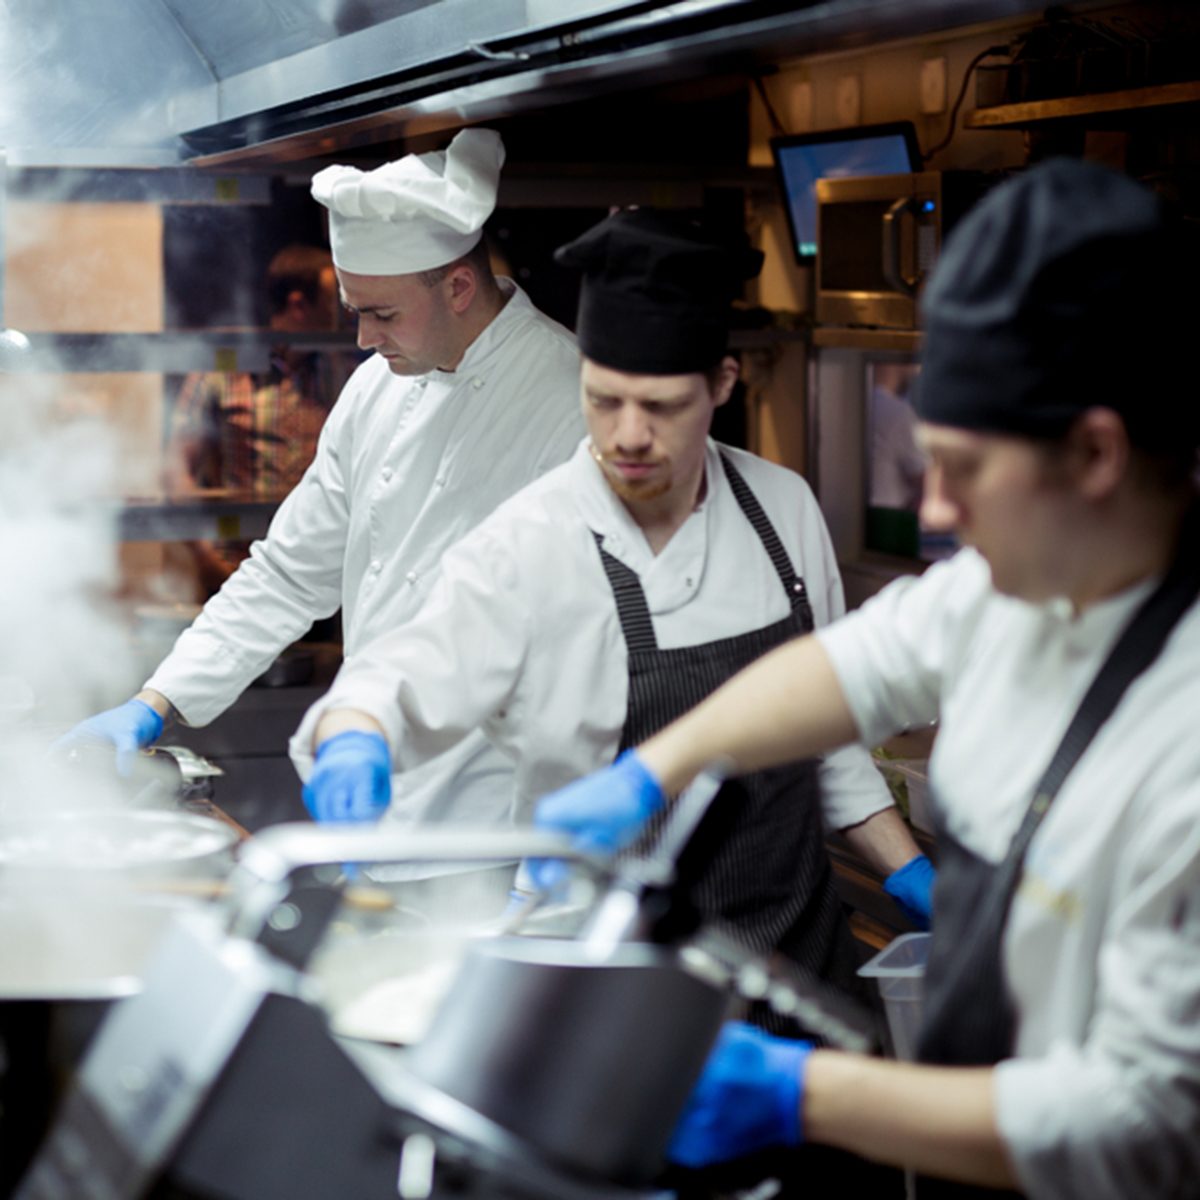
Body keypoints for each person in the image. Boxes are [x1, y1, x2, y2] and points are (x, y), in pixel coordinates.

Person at [533, 161, 1200, 1200]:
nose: (932, 510)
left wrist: (808, 1095)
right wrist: (655, 770)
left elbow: (1142, 1121)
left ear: (1097, 454)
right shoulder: (1009, 587)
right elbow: (852, 667)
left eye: (963, 467)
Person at [293, 209, 930, 1001]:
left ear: (723, 385)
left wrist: (909, 871)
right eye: (603, 402)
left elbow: (822, 731)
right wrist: (354, 736)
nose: (627, 437)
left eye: (660, 407)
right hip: (607, 979)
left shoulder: (784, 509)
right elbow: (402, 674)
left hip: (791, 965)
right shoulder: (535, 539)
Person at [57, 129, 585, 852]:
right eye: (353, 310)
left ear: (459, 285)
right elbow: (287, 570)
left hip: (493, 819)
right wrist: (159, 701)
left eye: (383, 313)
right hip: (368, 793)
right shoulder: (376, 386)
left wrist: (544, 859)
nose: (362, 339)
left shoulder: (569, 396)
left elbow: (577, 644)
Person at [162, 242, 359, 597]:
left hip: (323, 573)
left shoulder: (342, 371)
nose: (343, 313)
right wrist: (206, 557)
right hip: (237, 569)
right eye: (333, 302)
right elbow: (176, 469)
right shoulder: (225, 369)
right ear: (299, 305)